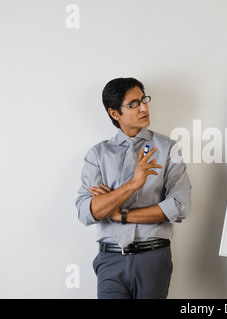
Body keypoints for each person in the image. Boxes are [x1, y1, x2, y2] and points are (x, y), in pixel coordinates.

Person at [76, 77, 191, 299]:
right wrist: (133, 185)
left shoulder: (167, 148)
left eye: (143, 100)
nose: (144, 108)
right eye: (133, 104)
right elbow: (87, 212)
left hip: (152, 257)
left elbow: (180, 206)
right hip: (110, 260)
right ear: (115, 113)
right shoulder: (97, 155)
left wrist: (121, 214)